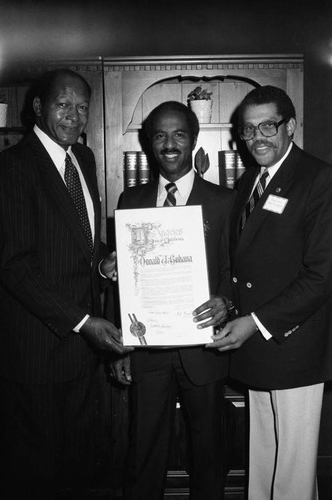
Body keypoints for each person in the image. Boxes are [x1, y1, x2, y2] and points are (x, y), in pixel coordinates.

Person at [0, 68, 132, 500]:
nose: (74, 116)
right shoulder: (12, 168)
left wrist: (104, 264)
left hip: (81, 352)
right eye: (63, 104)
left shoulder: (84, 160)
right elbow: (14, 264)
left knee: (75, 465)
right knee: (36, 470)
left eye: (82, 107)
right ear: (38, 107)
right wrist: (82, 321)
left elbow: (79, 242)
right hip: (36, 349)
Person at [206, 85, 332, 500]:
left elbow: (321, 274)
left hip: (293, 344)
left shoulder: (318, 178)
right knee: (264, 456)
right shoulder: (248, 182)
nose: (257, 137)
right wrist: (226, 302)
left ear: (290, 126)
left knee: (293, 465)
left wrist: (255, 323)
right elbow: (241, 262)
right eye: (248, 129)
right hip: (255, 344)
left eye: (268, 126)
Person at [110, 100, 234, 499]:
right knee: (144, 452)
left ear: (193, 141)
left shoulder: (224, 202)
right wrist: (123, 346)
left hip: (205, 348)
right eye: (160, 135)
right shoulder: (130, 202)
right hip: (147, 351)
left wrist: (227, 302)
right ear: (148, 142)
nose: (169, 143)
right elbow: (124, 284)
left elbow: (238, 271)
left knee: (208, 453)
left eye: (179, 134)